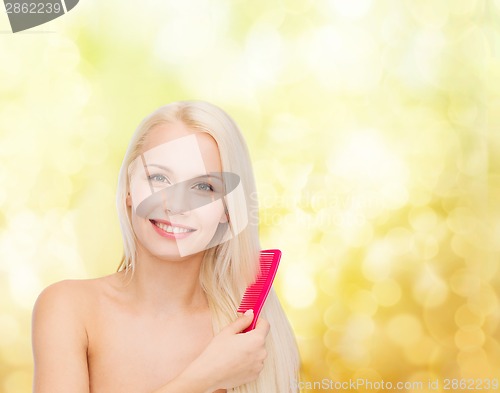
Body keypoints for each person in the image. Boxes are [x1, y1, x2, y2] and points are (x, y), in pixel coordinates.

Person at [32, 101, 300, 393]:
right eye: (159, 178)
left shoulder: (249, 337)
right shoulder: (69, 308)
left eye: (203, 187)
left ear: (227, 209)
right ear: (129, 190)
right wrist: (205, 378)